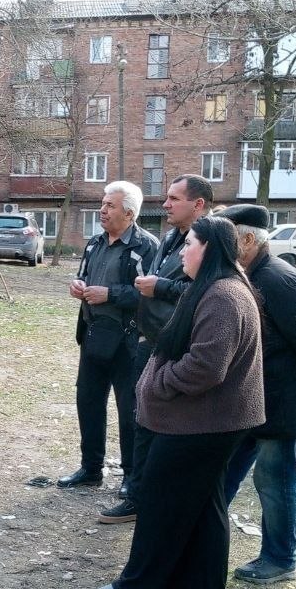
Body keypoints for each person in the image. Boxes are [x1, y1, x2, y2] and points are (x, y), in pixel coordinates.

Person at [84, 216, 264, 589]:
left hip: (202, 422)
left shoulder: (223, 295)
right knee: (202, 504)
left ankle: (139, 588)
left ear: (211, 248)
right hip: (212, 420)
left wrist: (159, 381)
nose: (183, 251)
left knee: (159, 501)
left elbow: (205, 367)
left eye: (191, 244)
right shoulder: (219, 288)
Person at [219, 204, 296, 584]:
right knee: (223, 472)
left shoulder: (277, 279)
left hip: (280, 402)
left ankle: (280, 558)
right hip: (250, 400)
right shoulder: (244, 273)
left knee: (274, 480)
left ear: (249, 239)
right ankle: (199, 534)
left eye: (229, 236)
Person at [101, 174, 213, 523]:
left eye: (174, 199)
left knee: (161, 421)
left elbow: (207, 292)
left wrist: (160, 286)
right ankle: (138, 491)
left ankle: (147, 494)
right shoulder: (169, 238)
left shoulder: (208, 243)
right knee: (142, 416)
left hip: (179, 347)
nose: (165, 204)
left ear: (198, 205)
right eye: (166, 198)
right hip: (150, 341)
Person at [59, 181, 158, 491]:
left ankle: (131, 476)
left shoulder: (147, 246)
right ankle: (90, 469)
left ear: (129, 213)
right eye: (103, 204)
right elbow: (85, 276)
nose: (102, 210)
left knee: (129, 411)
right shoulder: (95, 242)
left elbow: (151, 294)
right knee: (88, 403)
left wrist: (110, 294)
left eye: (109, 206)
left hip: (128, 342)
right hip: (93, 335)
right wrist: (79, 286)